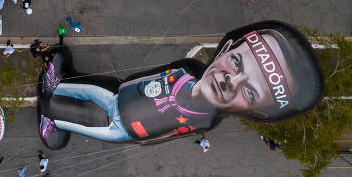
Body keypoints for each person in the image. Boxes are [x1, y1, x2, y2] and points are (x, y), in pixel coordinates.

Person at [38, 23, 323, 149]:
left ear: (256, 112)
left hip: (125, 128)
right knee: (94, 91)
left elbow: (171, 132)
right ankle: (58, 85)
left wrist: (143, 139)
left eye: (250, 92)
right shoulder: (188, 70)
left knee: (89, 123)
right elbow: (151, 77)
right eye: (236, 64)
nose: (230, 81)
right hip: (120, 94)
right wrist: (129, 85)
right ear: (224, 49)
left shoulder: (207, 120)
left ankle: (54, 118)